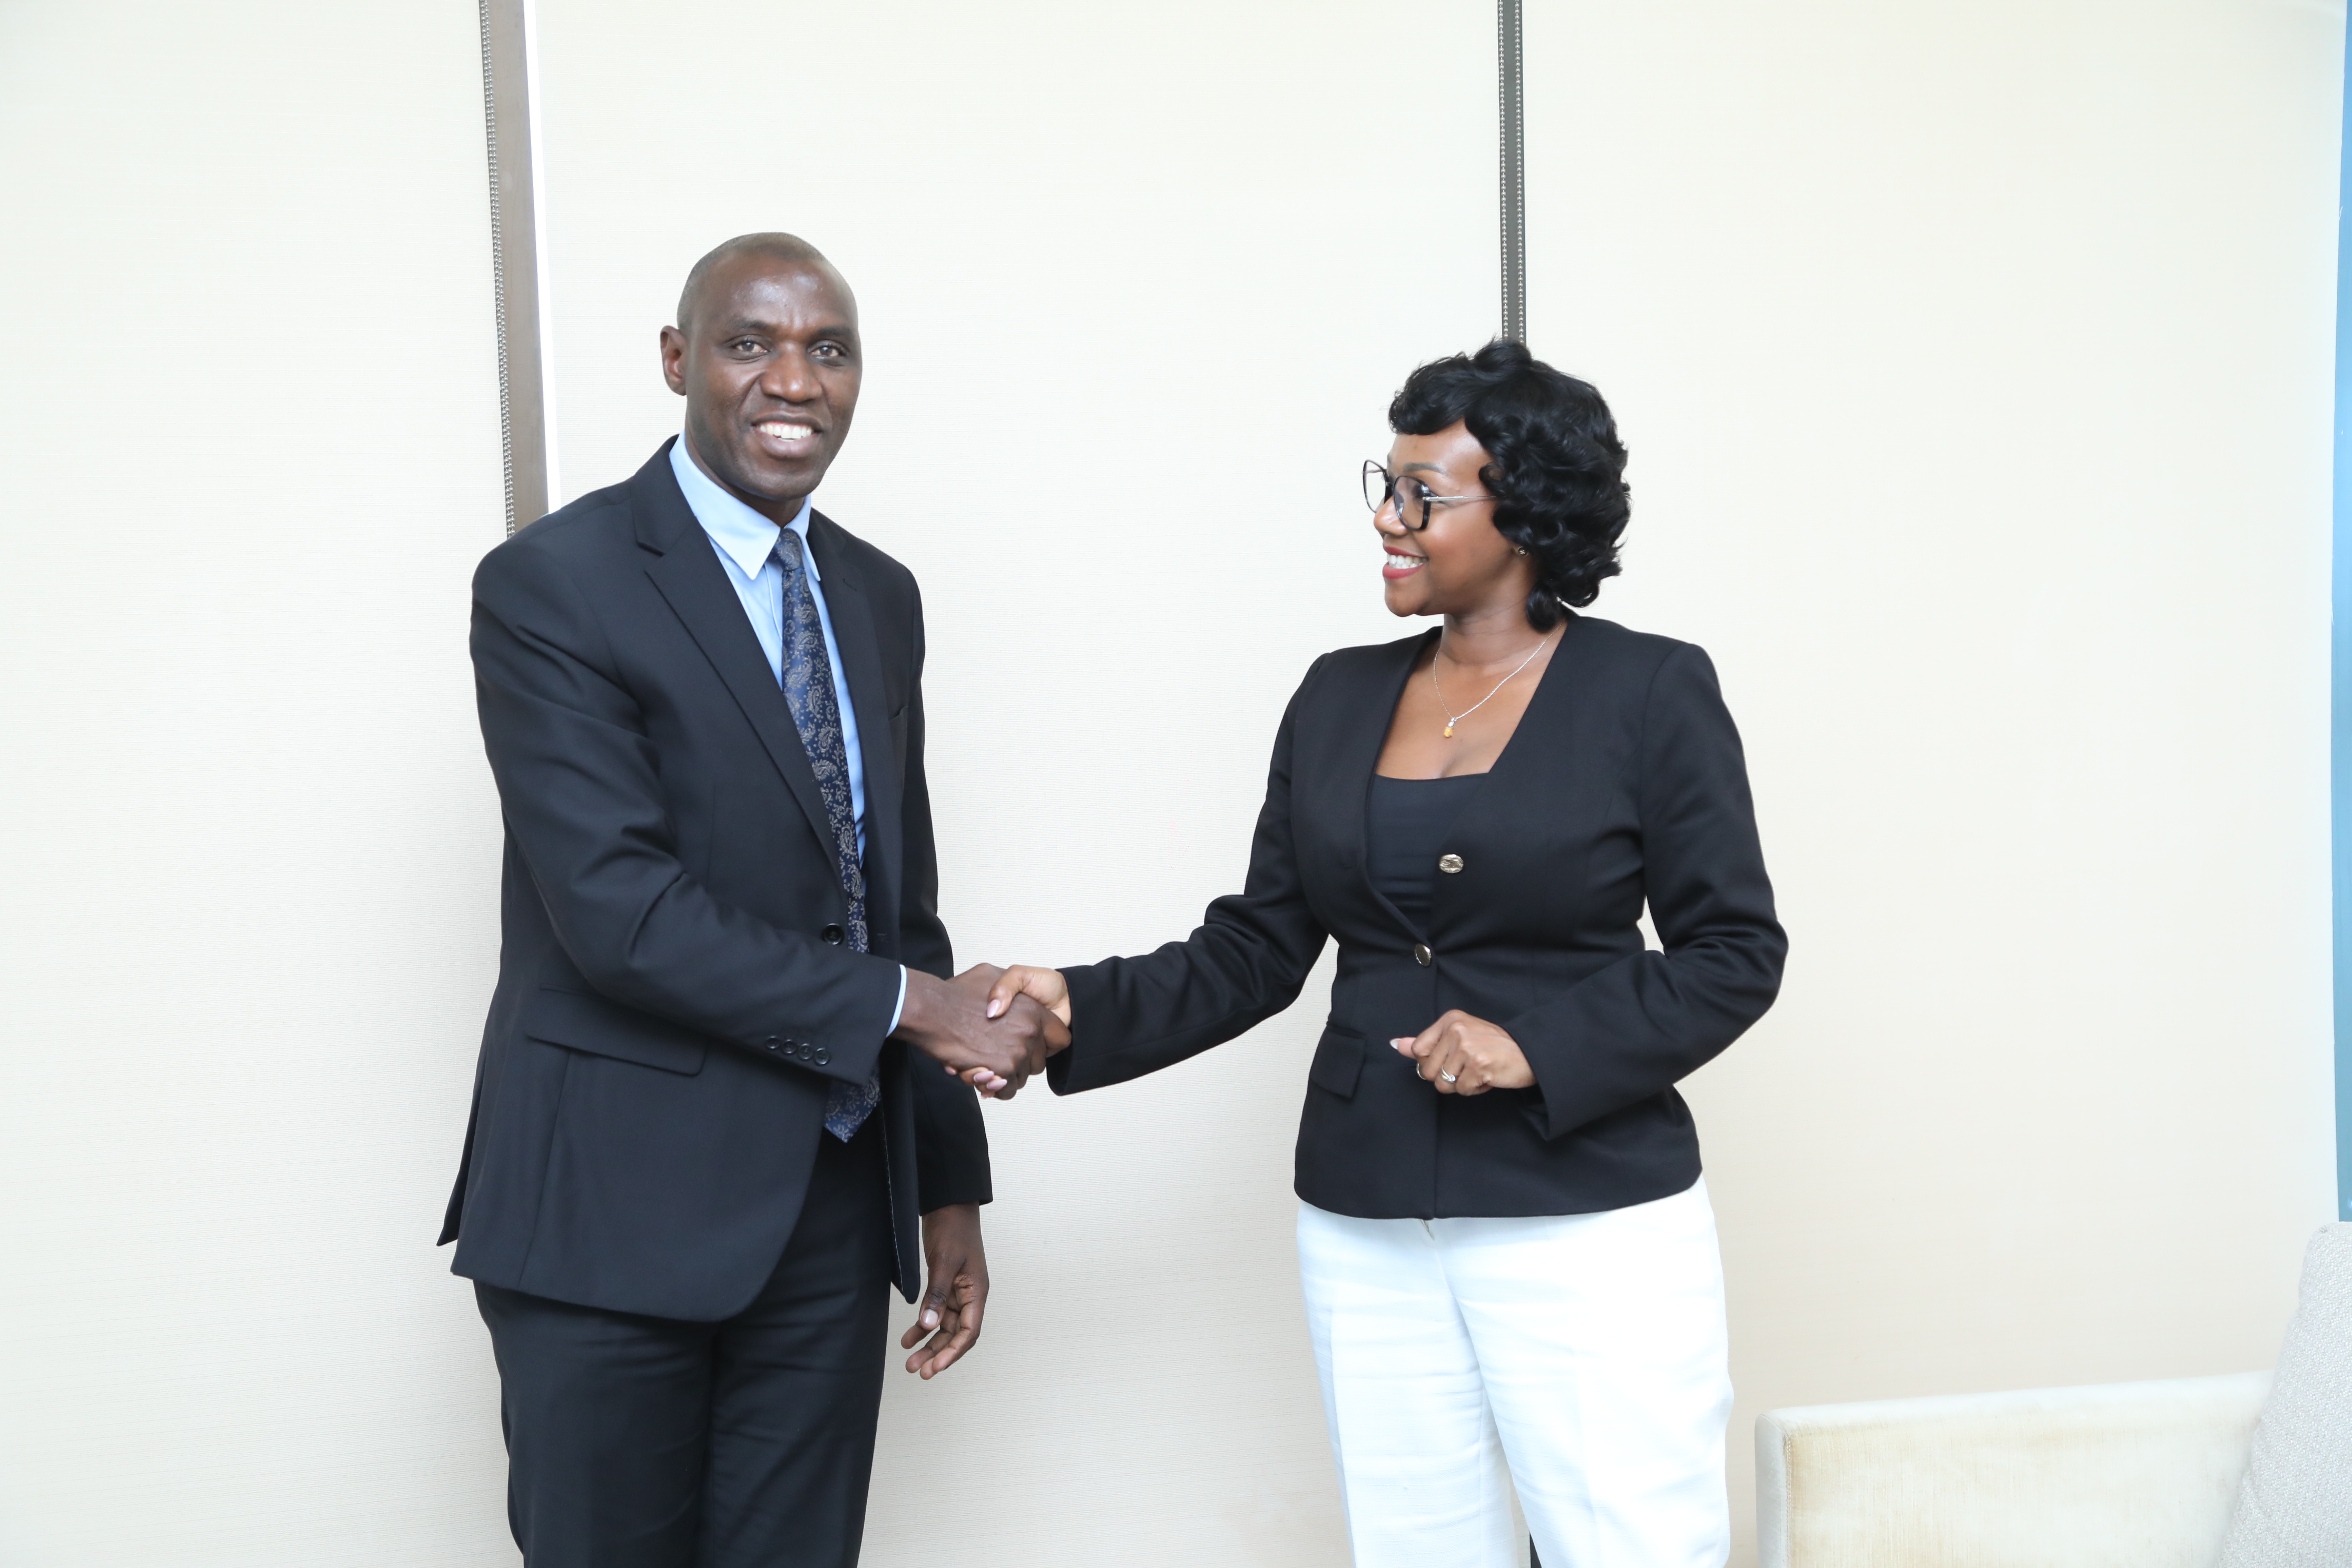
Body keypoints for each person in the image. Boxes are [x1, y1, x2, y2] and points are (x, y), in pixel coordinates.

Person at [986, 341, 1786, 1567]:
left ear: (1522, 514)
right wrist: (1075, 1009)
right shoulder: (1337, 696)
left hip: (1584, 1218)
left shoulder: (1650, 691)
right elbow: (1258, 946)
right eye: (1386, 482)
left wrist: (1535, 1046)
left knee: (1633, 1546)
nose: (1386, 517)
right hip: (1366, 1219)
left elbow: (1733, 951)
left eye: (1423, 494)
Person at [439, 232, 1064, 1568]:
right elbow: (623, 915)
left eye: (827, 349)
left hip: (829, 1216)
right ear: (678, 361)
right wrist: (919, 1010)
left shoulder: (876, 596)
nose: (795, 378)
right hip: (611, 1216)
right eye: (750, 344)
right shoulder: (555, 584)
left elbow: (900, 906)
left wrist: (947, 1186)